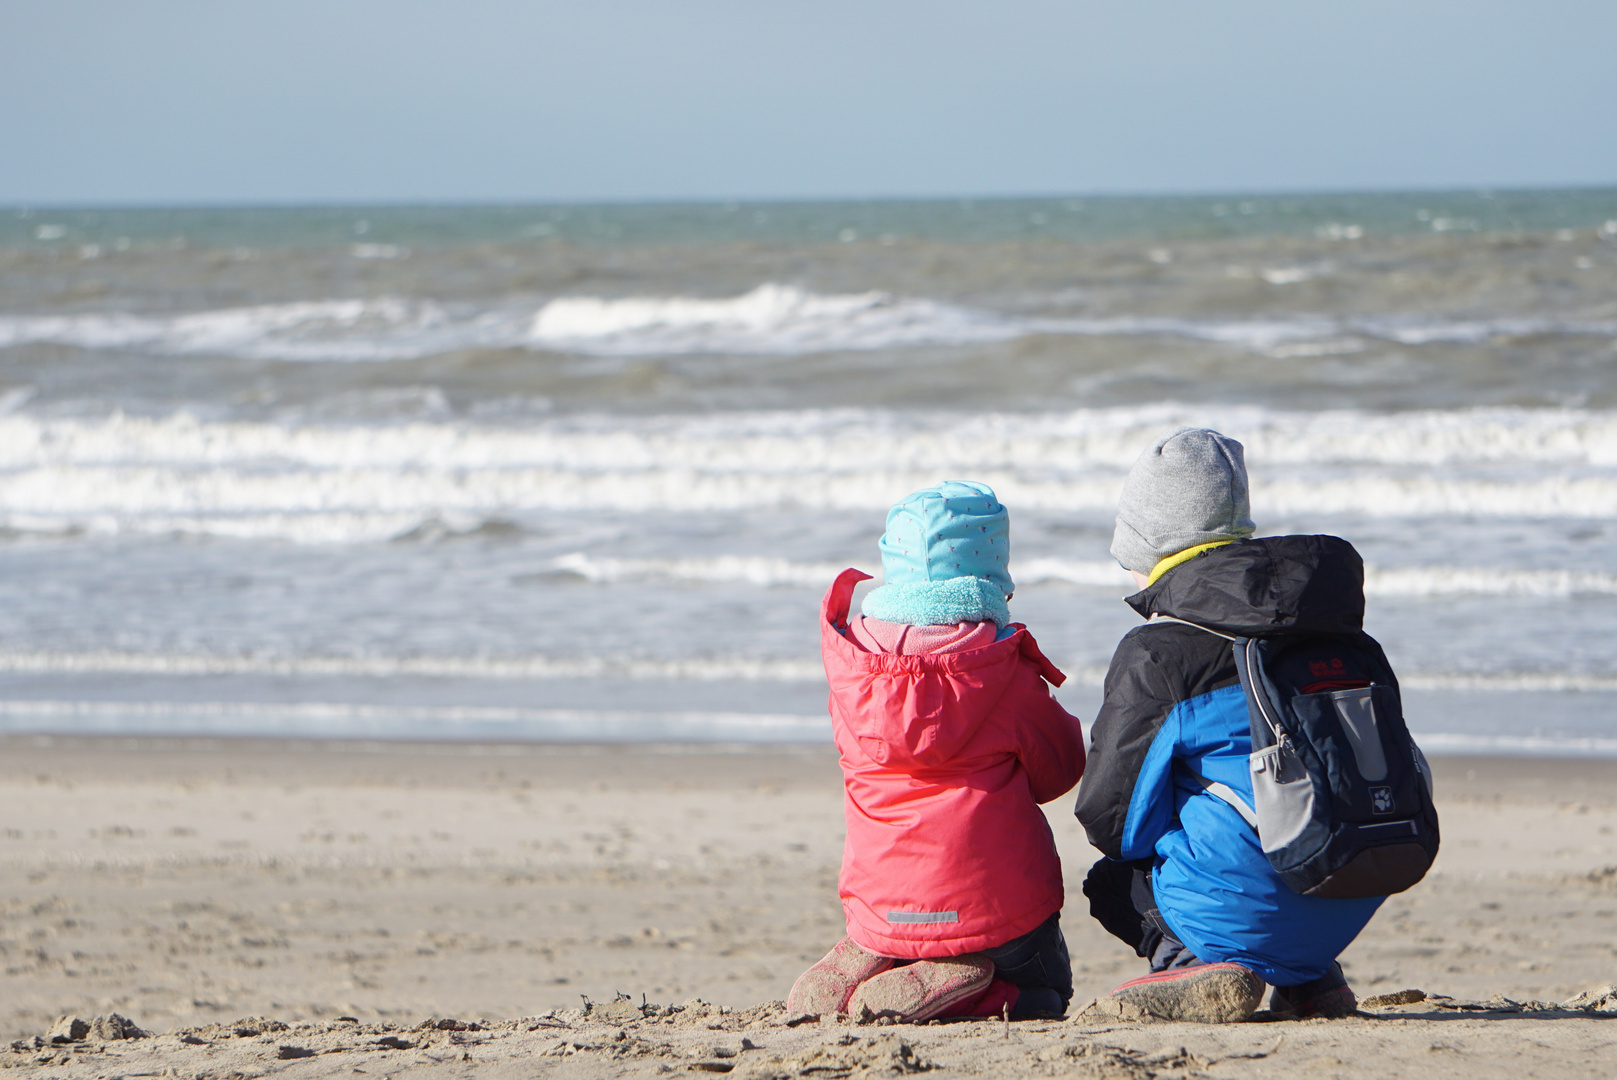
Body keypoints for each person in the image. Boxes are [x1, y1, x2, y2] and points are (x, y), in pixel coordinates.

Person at [1075, 428, 1381, 1023]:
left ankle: (1190, 960)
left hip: (1245, 902)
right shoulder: (1320, 624)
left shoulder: (1159, 655)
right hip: (1353, 884)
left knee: (1113, 881)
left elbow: (1111, 820)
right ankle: (1314, 977)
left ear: (1147, 547)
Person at [787, 481, 1086, 1023]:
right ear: (993, 574)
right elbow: (1061, 770)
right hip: (995, 913)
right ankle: (978, 987)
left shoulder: (852, 671)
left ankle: (878, 956)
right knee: (1048, 989)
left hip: (880, 904)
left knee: (894, 918)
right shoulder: (1000, 670)